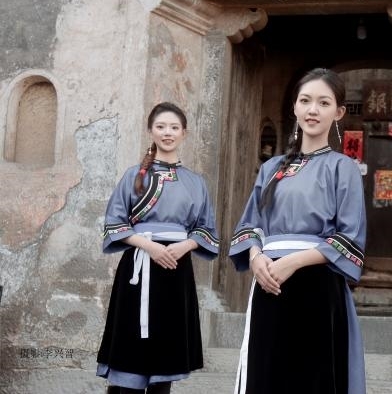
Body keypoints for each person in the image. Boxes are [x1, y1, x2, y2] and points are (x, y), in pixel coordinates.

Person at [229, 68, 367, 394]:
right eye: (305, 101)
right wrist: (256, 258)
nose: (312, 110)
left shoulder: (343, 167)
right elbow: (249, 225)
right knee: (266, 377)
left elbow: (349, 236)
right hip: (269, 283)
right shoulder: (271, 168)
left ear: (339, 112)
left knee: (312, 379)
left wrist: (292, 262)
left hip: (317, 286)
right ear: (295, 107)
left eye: (323, 103)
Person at [96, 102, 220, 393]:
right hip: (138, 269)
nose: (167, 133)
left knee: (166, 354)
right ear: (150, 130)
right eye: (161, 126)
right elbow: (114, 222)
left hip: (176, 270)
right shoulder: (133, 176)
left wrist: (185, 246)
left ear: (184, 133)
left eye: (174, 127)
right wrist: (150, 247)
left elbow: (206, 229)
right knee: (130, 346)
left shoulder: (195, 182)